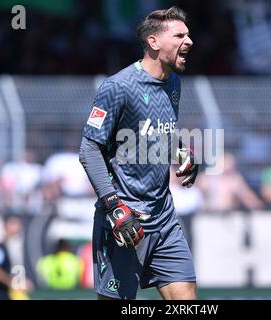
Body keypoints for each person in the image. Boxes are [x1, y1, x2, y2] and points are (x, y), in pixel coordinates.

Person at [79, 6, 197, 300]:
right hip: (124, 220)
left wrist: (181, 152)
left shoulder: (173, 83)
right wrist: (114, 207)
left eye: (189, 34)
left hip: (165, 220)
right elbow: (89, 147)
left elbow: (157, 131)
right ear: (154, 42)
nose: (189, 41)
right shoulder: (117, 87)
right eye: (180, 35)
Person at [0, 214, 33, 300]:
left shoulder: (16, 247)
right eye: (13, 224)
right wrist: (14, 283)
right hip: (0, 295)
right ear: (5, 226)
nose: (18, 227)